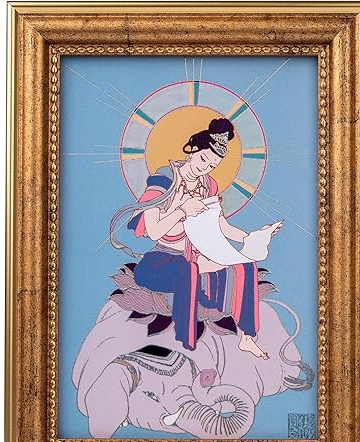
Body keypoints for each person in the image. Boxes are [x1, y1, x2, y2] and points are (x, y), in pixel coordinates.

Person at [109, 118, 281, 358]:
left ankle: (247, 338)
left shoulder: (209, 185)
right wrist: (182, 210)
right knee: (187, 270)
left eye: (213, 165)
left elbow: (223, 227)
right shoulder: (165, 179)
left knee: (245, 266)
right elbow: (154, 231)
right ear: (191, 150)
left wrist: (254, 237)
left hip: (195, 255)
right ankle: (186, 341)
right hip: (161, 258)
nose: (205, 167)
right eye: (203, 159)